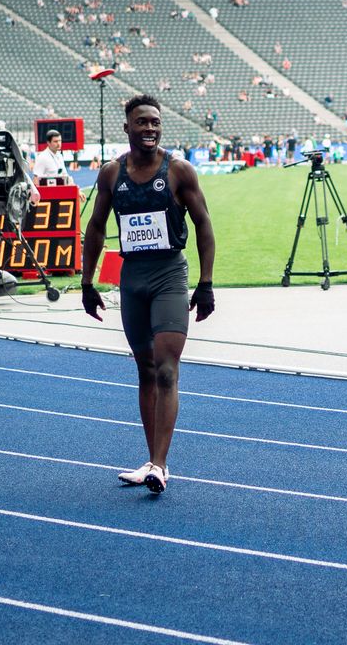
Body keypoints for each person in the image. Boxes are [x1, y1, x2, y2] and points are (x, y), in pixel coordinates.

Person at [79, 95, 216, 495]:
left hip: (170, 275)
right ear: (127, 128)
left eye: (155, 122)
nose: (150, 128)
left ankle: (160, 465)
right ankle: (150, 458)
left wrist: (205, 284)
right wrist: (87, 284)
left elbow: (205, 227)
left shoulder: (178, 171)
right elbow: (96, 229)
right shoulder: (111, 174)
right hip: (132, 277)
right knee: (144, 370)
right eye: (141, 122)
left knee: (167, 368)